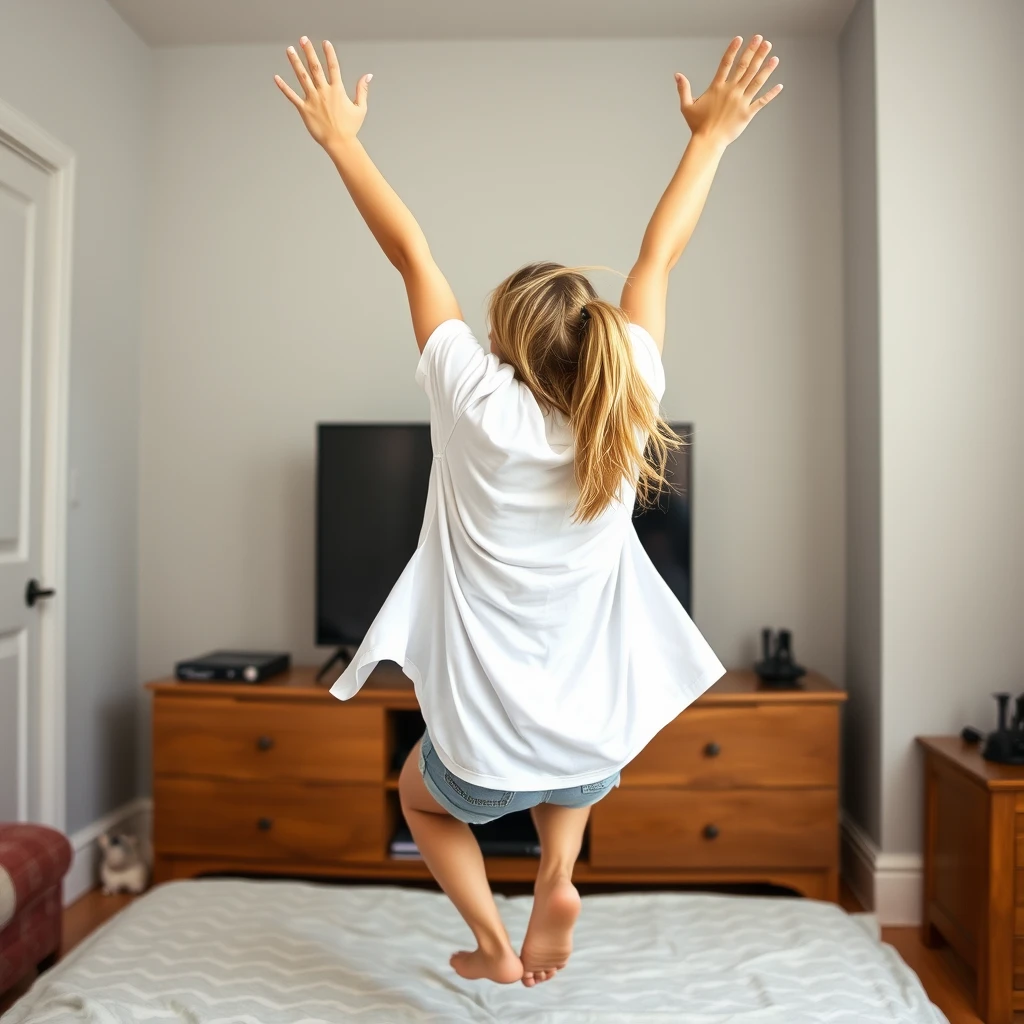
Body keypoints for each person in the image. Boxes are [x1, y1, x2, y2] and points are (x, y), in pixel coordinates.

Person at [276, 34, 782, 987]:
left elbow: (409, 252)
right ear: (595, 339)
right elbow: (658, 257)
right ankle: (558, 872)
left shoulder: (473, 401)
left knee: (421, 800)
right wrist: (711, 139)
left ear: (502, 338)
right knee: (570, 765)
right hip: (593, 744)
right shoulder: (625, 399)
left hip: (480, 747)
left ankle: (496, 944)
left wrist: (341, 141)